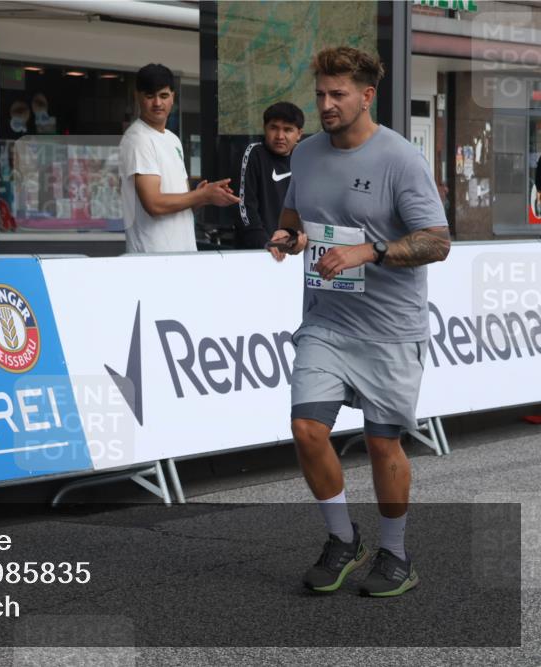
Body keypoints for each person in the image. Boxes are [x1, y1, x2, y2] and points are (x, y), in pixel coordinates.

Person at [268, 47, 450, 597]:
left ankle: (395, 554)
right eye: (320, 93)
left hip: (391, 328)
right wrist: (287, 237)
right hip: (327, 321)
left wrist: (369, 251)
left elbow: (437, 242)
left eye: (337, 94)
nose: (325, 104)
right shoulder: (305, 154)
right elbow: (297, 216)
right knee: (306, 430)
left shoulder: (400, 159)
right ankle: (343, 539)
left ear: (366, 96)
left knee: (381, 445)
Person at [119, 63, 240, 253]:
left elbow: (181, 206)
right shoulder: (138, 139)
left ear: (173, 97)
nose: (158, 103)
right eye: (150, 96)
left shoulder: (172, 139)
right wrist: (201, 194)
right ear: (137, 97)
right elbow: (154, 204)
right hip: (153, 258)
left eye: (164, 95)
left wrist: (204, 197)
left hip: (181, 254)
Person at [236, 102, 304, 249]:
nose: (280, 136)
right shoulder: (253, 153)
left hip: (296, 249)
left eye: (288, 130)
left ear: (299, 134)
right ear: (264, 128)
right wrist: (265, 244)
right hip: (260, 250)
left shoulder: (305, 157)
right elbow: (244, 205)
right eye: (274, 128)